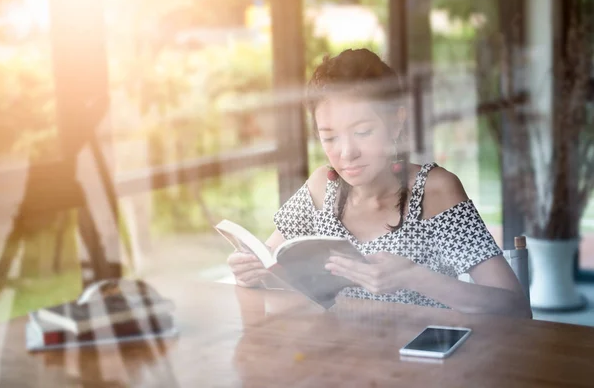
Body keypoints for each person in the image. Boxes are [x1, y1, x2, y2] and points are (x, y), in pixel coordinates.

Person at [227, 48, 532, 319]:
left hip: (421, 363)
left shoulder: (435, 191)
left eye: (362, 132)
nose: (346, 153)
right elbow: (271, 262)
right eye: (330, 137)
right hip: (339, 359)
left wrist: (413, 276)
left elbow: (515, 307)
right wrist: (249, 271)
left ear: (396, 121)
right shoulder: (323, 187)